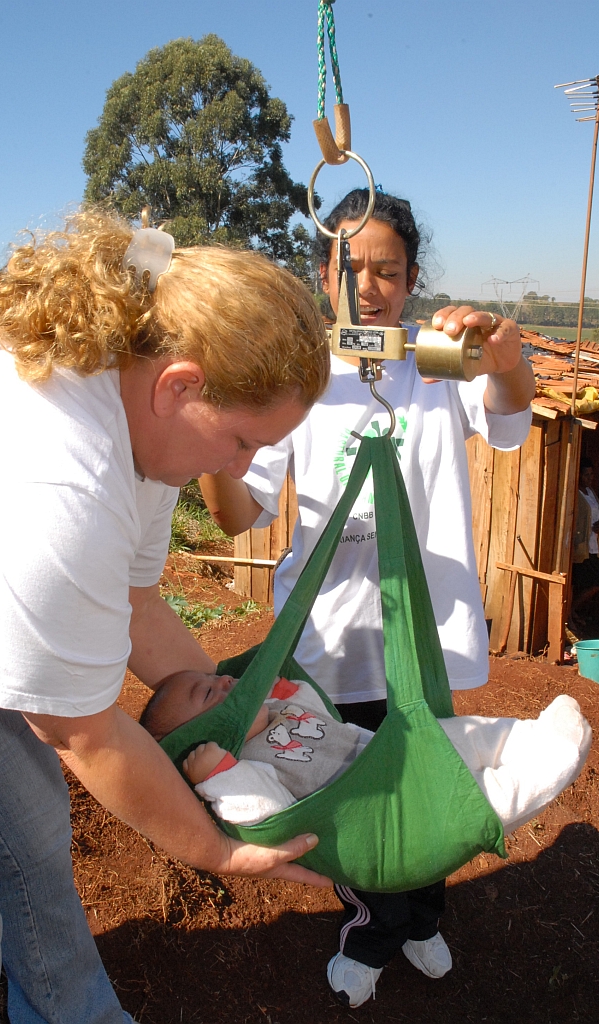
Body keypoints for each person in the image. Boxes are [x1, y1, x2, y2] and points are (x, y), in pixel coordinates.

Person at [0, 210, 332, 1024]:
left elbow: (136, 603)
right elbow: (78, 730)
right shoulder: (61, 480)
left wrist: (233, 705)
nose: (240, 470)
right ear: (180, 386)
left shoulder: (143, 431)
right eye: (238, 442)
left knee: (31, 851)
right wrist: (217, 850)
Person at [199, 188, 535, 1007]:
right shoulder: (298, 382)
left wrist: (502, 349)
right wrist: (215, 446)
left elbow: (512, 415)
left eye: (387, 270)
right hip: (328, 640)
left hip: (422, 630)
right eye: (351, 268)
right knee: (351, 794)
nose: (369, 285)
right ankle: (376, 930)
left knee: (428, 774)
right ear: (324, 278)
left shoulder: (435, 365)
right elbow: (237, 509)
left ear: (413, 278)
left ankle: (422, 917)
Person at [140, 670, 591, 838]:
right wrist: (220, 776)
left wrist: (290, 693)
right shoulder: (249, 766)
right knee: (475, 800)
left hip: (389, 750)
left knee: (462, 735)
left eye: (217, 678)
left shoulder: (275, 711)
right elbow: (268, 815)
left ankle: (531, 737)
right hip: (379, 807)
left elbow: (326, 720)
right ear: (199, 736)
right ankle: (555, 760)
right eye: (209, 693)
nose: (227, 682)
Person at [571, 457, 599, 633]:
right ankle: (571, 612)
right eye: (586, 475)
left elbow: (597, 514)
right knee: (585, 582)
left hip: (593, 544)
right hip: (580, 546)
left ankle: (572, 610)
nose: (589, 478)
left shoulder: (591, 492)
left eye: (591, 474)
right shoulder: (576, 494)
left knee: (595, 583)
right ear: (579, 475)